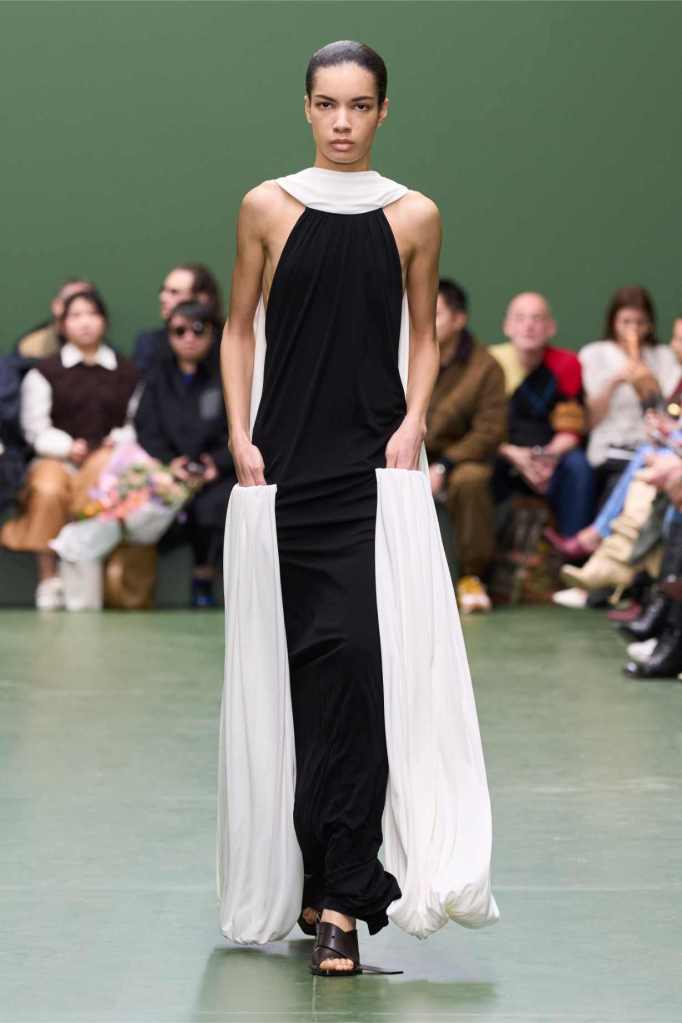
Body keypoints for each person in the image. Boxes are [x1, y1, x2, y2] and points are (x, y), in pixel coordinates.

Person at [217, 40, 498, 977]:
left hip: (373, 473)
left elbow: (425, 335)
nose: (343, 121)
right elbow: (238, 327)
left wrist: (414, 421)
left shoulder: (414, 215)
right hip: (281, 471)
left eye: (361, 104)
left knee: (356, 668)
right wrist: (240, 434)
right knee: (298, 678)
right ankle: (312, 874)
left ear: (383, 112)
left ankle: (345, 896)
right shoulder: (266, 206)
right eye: (328, 103)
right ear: (306, 108)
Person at [0, 289, 138, 609]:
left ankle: (82, 573)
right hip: (56, 458)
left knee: (104, 475)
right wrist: (66, 448)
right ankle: (48, 578)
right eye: (75, 316)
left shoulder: (127, 372)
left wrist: (116, 441)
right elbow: (35, 428)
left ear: (104, 321)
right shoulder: (44, 371)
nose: (84, 323)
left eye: (92, 314)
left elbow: (135, 422)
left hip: (106, 458)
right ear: (62, 325)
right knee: (47, 489)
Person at [547, 316, 682, 562]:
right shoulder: (596, 355)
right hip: (642, 452)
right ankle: (611, 567)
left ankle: (601, 547)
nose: (673, 345)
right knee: (645, 465)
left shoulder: (664, 364)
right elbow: (590, 420)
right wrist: (667, 428)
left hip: (668, 459)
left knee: (650, 471)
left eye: (679, 340)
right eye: (674, 338)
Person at [134, 300, 234, 608]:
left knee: (214, 505)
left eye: (198, 330)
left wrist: (217, 463)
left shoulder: (229, 374)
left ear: (212, 333)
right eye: (179, 331)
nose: (188, 337)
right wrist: (171, 462)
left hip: (220, 471)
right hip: (170, 471)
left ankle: (205, 577)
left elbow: (241, 427)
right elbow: (147, 428)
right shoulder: (156, 378)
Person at [425, 278, 506, 613]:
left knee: (470, 481)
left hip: (459, 459)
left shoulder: (486, 367)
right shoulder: (405, 355)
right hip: (407, 452)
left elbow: (489, 432)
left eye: (436, 313)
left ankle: (472, 577)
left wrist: (444, 465)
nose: (424, 318)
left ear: (459, 319)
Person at [490, 292, 595, 536]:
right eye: (520, 318)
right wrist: (512, 453)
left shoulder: (566, 363)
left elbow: (571, 427)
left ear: (551, 328)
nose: (528, 326)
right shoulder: (490, 362)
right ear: (507, 326)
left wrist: (547, 456)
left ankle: (571, 548)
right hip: (504, 451)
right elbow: (480, 425)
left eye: (537, 318)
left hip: (552, 453)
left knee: (579, 467)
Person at [579, 286, 680, 499]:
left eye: (640, 322)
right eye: (626, 322)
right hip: (610, 447)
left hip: (654, 446)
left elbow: (669, 411)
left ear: (650, 324)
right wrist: (615, 381)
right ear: (613, 322)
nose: (633, 329)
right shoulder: (594, 354)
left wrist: (648, 380)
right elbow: (591, 420)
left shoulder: (663, 356)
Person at [133, 263, 223, 377]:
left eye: (174, 292)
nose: (163, 298)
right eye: (179, 332)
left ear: (203, 298)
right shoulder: (150, 344)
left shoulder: (227, 344)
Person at [15, 278, 94, 359]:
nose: (84, 321)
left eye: (87, 303)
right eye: (70, 302)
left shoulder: (101, 352)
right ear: (57, 306)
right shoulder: (33, 347)